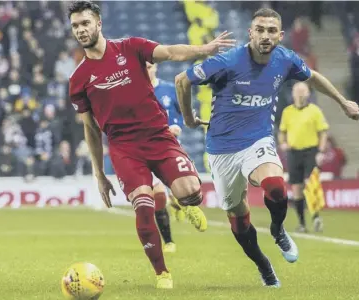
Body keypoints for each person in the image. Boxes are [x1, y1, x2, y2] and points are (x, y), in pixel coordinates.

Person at [174, 8, 359, 288]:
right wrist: (188, 118)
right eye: (259, 29)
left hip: (257, 140)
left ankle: (278, 230)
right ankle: (264, 266)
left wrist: (343, 102)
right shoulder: (228, 61)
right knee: (238, 215)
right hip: (221, 149)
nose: (265, 35)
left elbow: (313, 78)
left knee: (275, 185)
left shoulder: (285, 59)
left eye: (271, 30)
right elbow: (182, 79)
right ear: (250, 33)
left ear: (280, 35)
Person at [67, 1, 235, 289]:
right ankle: (162, 273)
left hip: (158, 135)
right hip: (124, 148)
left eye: (85, 23)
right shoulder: (79, 79)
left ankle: (185, 203)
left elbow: (170, 52)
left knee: (191, 191)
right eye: (76, 26)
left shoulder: (131, 47)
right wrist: (99, 174)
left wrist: (203, 51)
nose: (81, 30)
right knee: (143, 205)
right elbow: (90, 129)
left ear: (99, 23)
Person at [146, 62, 206, 254]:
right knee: (158, 194)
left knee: (184, 183)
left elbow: (182, 113)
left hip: (170, 144)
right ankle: (169, 241)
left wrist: (179, 125)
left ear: (155, 67)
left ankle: (183, 203)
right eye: (143, 67)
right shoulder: (136, 91)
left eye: (149, 66)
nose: (146, 70)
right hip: (147, 147)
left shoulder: (168, 90)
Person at [278, 81, 329, 233]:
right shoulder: (287, 112)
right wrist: (283, 144)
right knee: (296, 188)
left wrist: (320, 151)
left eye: (303, 91)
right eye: (297, 92)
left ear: (308, 93)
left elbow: (323, 132)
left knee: (310, 183)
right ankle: (302, 223)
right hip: (294, 152)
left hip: (311, 151)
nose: (300, 94)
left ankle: (316, 217)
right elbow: (282, 132)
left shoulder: (315, 111)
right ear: (293, 94)